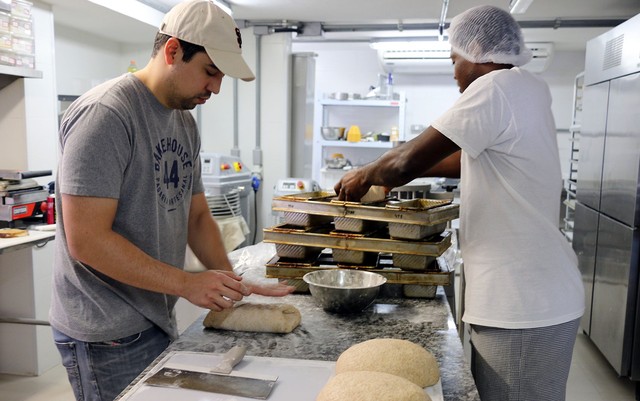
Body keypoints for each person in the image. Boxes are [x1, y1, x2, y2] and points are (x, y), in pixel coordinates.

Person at [335, 5, 584, 401]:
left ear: (477, 52)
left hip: (522, 301)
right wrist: (393, 178)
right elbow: (464, 156)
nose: (454, 73)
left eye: (454, 60)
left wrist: (364, 175)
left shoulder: (495, 88)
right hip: (538, 291)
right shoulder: (528, 87)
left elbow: (405, 162)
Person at [50, 1, 294, 400]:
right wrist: (185, 283)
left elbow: (196, 215)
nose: (215, 88)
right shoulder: (106, 115)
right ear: (173, 51)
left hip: (154, 316)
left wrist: (229, 284)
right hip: (105, 331)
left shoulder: (183, 122)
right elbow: (87, 240)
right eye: (210, 72)